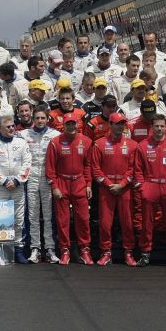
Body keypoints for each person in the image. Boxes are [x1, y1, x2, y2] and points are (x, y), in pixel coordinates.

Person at [131, 115, 166, 268]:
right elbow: (138, 170)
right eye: (156, 126)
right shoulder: (142, 146)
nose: (159, 129)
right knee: (146, 223)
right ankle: (145, 253)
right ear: (151, 127)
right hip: (150, 186)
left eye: (162, 126)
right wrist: (142, 188)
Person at [90, 113, 136, 266]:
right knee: (105, 222)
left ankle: (128, 252)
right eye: (116, 124)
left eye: (122, 124)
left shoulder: (132, 145)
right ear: (109, 124)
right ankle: (106, 252)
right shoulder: (99, 144)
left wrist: (122, 184)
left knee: (127, 222)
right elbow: (95, 169)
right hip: (107, 189)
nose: (120, 127)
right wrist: (109, 184)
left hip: (125, 188)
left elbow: (133, 169)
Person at [46, 116, 93, 265]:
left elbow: (88, 165)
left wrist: (88, 184)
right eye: (68, 124)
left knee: (83, 219)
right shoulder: (55, 142)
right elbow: (50, 168)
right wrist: (54, 186)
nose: (71, 127)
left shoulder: (86, 141)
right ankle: (64, 250)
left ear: (78, 124)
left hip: (79, 182)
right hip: (62, 183)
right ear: (63, 126)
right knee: (63, 220)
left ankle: (85, 250)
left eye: (73, 124)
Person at [0, 115, 32, 261]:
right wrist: (5, 181)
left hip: (18, 186)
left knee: (18, 219)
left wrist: (17, 181)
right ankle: (3, 250)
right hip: (1, 187)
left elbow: (27, 163)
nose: (12, 128)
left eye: (13, 126)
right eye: (8, 127)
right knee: (2, 219)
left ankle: (18, 249)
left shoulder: (21, 143)